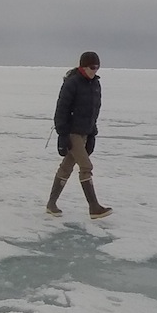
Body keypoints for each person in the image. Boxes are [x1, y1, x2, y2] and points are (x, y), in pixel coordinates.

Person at [48, 52, 111, 219]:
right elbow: (61, 110)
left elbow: (94, 112)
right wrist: (62, 135)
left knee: (67, 166)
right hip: (72, 132)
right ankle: (94, 207)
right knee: (86, 167)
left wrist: (92, 134)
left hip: (85, 132)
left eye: (97, 67)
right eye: (92, 67)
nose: (95, 70)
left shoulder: (95, 85)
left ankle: (51, 204)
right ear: (83, 66)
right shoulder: (72, 83)